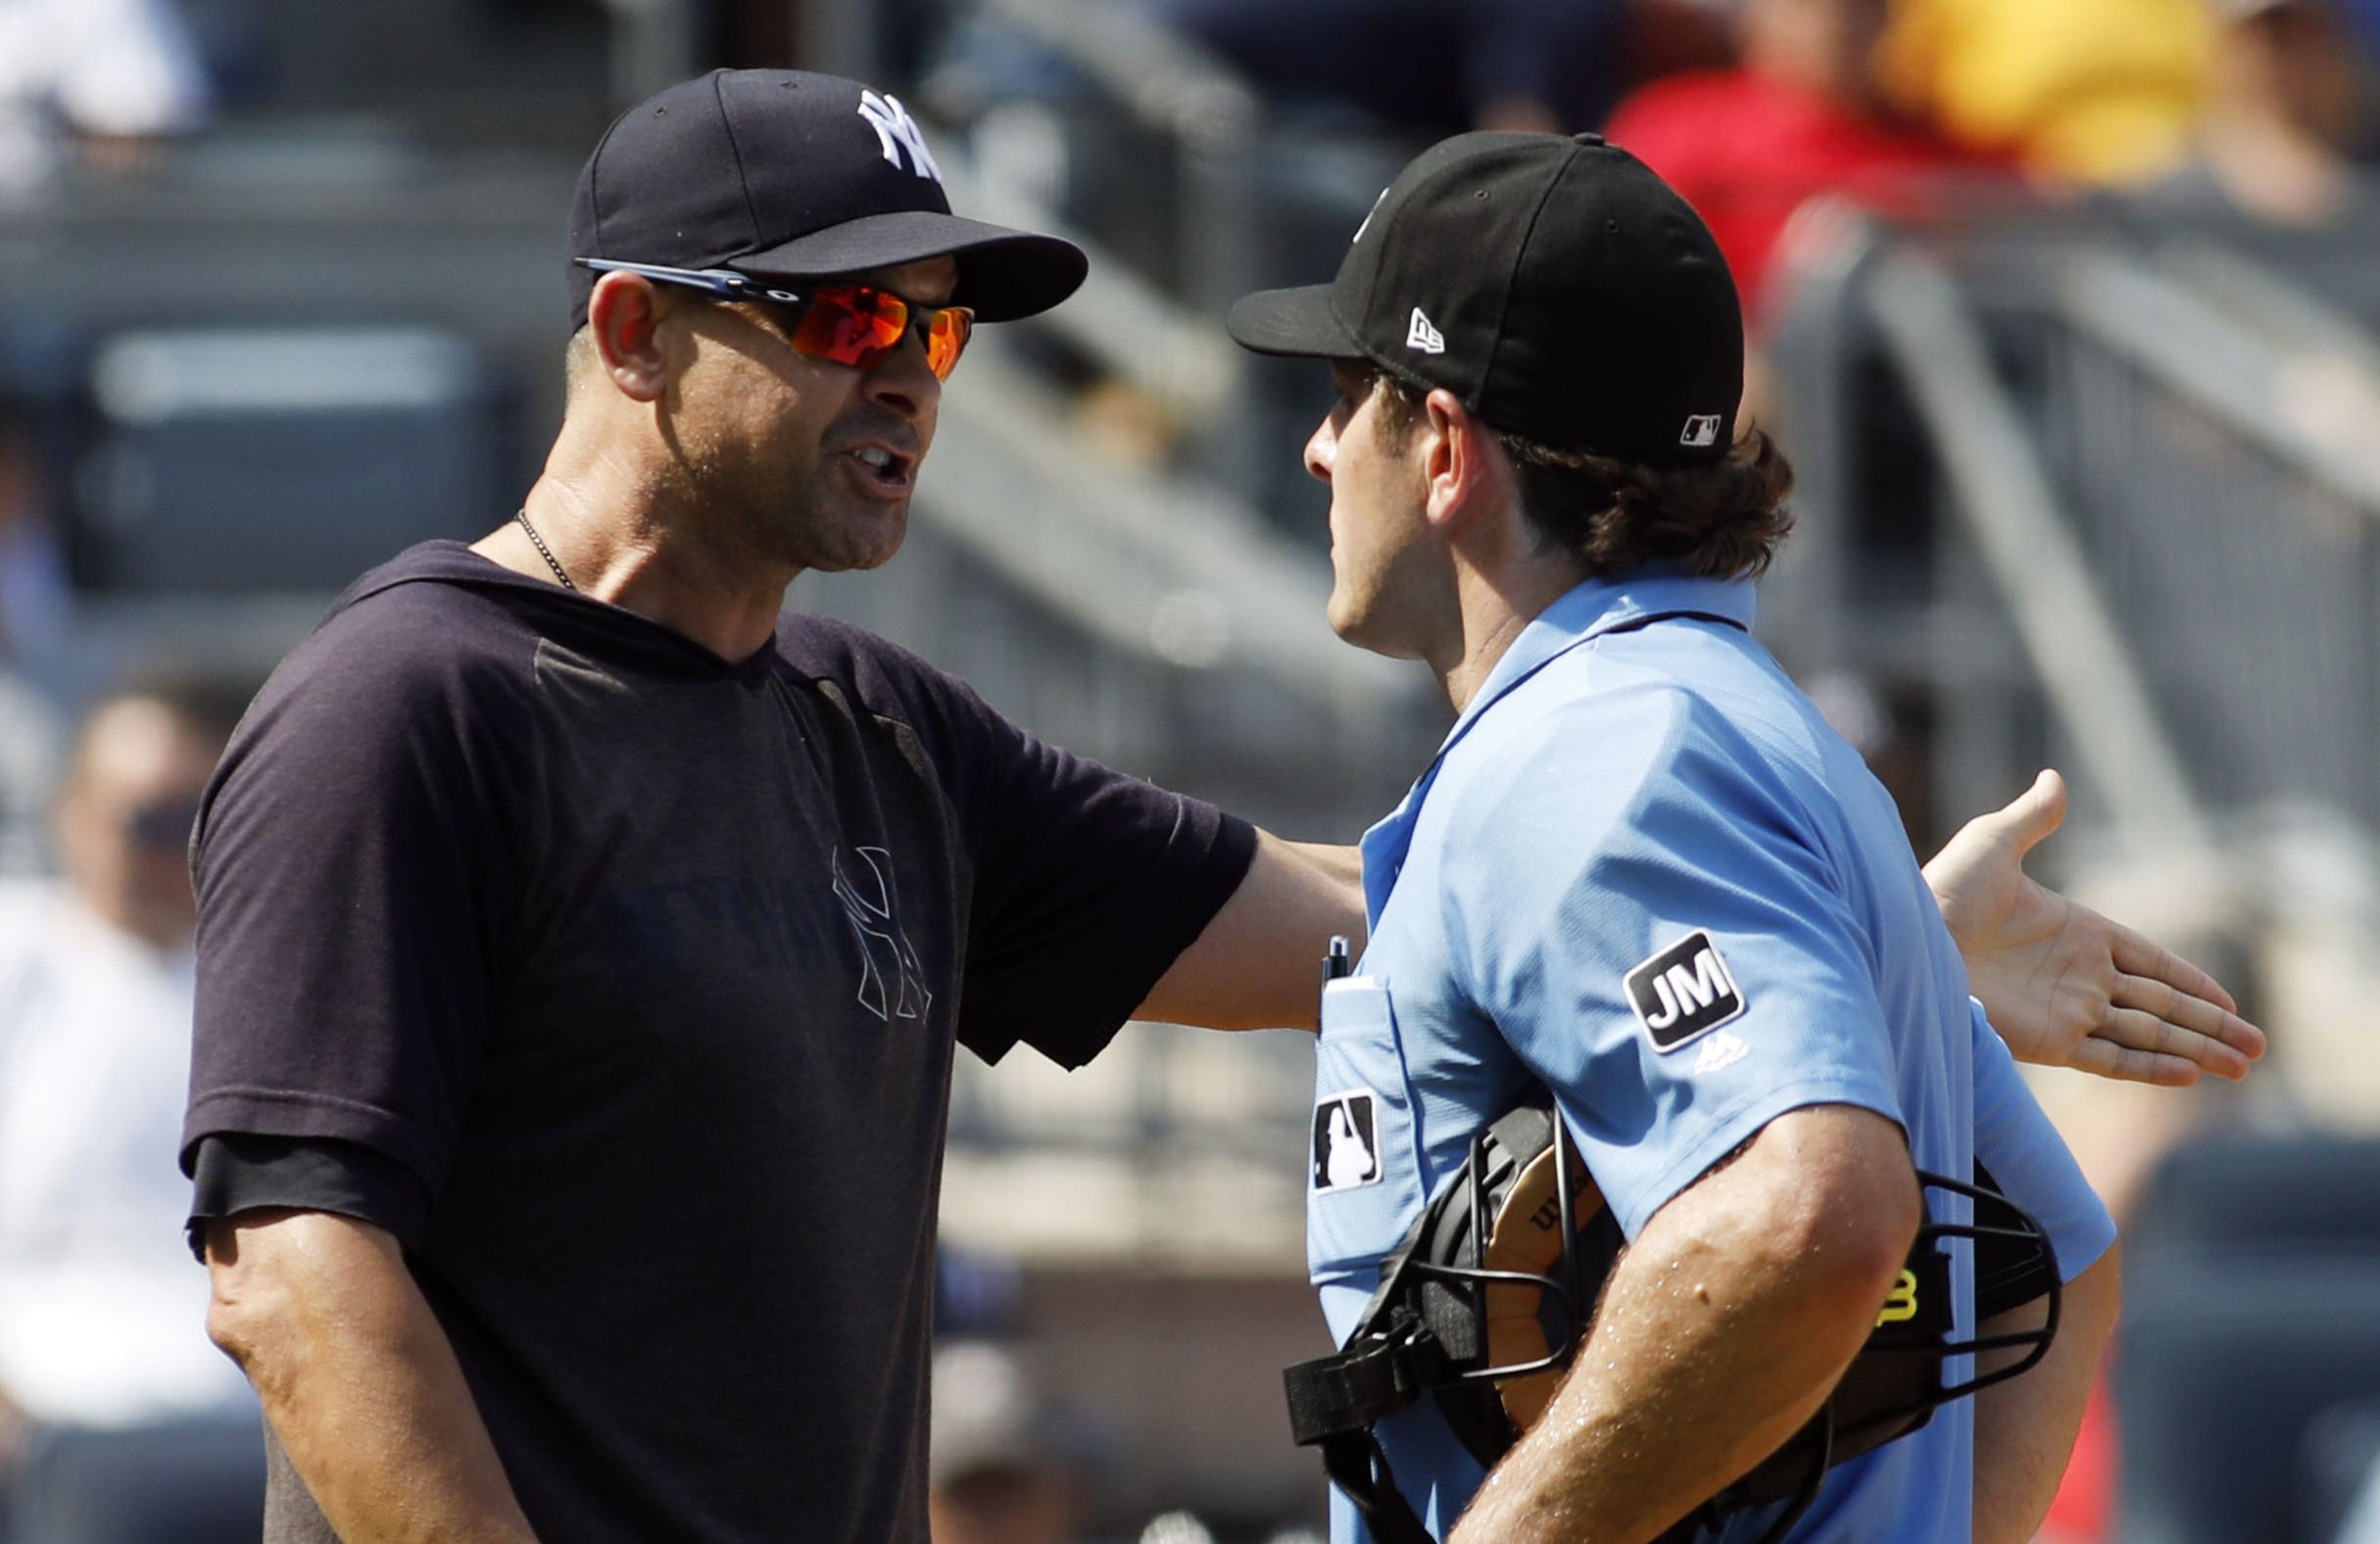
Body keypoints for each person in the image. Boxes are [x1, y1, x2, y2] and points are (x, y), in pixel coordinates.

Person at [184, 71, 2258, 1544]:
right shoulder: (410, 705)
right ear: (631, 331)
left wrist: (1860, 929)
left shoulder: (870, 726)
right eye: (841, 317)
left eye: (940, 324)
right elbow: (297, 1277)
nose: (912, 369)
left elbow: (1402, 922)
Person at [1224, 130, 2201, 1542]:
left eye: (1344, 395)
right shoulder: (1754, 733)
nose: (1318, 451)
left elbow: (1811, 1214)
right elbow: (2052, 1264)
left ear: (1442, 448)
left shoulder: (1595, 752)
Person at [0, 681, 261, 1542]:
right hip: (51, 1419)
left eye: (200, 817)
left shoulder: (288, 985)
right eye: (147, 820)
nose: (173, 850)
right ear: (72, 815)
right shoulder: (17, 963)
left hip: (259, 1419)